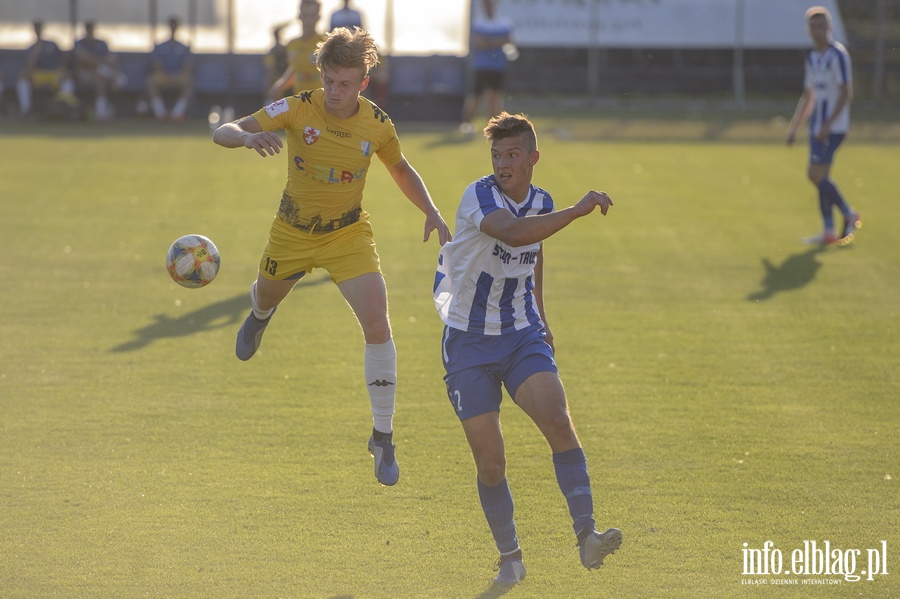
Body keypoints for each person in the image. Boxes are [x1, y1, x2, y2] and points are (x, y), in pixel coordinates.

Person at [213, 27, 452, 487]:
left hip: (348, 235)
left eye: (345, 83)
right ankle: (260, 313)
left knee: (378, 323)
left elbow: (401, 168)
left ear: (363, 82)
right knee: (265, 295)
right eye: (330, 81)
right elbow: (224, 130)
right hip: (292, 231)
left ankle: (382, 437)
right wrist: (246, 139)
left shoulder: (378, 124)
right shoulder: (299, 105)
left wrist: (432, 210)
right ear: (320, 74)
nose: (336, 92)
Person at [433, 112, 621, 585]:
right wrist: (578, 210)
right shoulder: (479, 196)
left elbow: (533, 251)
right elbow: (515, 234)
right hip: (468, 340)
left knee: (558, 421)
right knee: (491, 461)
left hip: (520, 333)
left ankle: (587, 536)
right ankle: (511, 559)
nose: (502, 164)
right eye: (497, 155)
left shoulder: (541, 201)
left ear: (533, 158)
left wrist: (542, 313)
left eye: (512, 155)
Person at [786, 6, 861, 246]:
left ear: (830, 27)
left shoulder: (838, 55)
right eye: (814, 27)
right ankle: (828, 230)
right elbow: (809, 97)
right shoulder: (812, 58)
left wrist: (828, 124)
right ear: (808, 30)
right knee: (821, 177)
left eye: (822, 26)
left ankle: (849, 214)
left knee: (814, 174)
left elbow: (845, 92)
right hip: (816, 126)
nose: (818, 31)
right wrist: (795, 126)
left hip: (833, 127)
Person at [460, 0, 515, 135]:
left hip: (498, 66)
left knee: (494, 98)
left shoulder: (504, 23)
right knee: (475, 97)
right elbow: (480, 42)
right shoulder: (479, 23)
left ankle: (493, 128)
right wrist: (498, 41)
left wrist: (490, 41)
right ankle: (468, 125)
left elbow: (509, 41)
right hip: (481, 66)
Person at [16, 21, 77, 118]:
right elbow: (29, 67)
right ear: (34, 30)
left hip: (54, 73)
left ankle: (66, 108)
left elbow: (63, 57)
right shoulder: (32, 47)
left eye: (39, 28)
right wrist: (35, 52)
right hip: (40, 74)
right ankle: (26, 110)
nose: (38, 31)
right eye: (36, 29)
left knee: (67, 76)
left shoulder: (52, 44)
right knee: (23, 78)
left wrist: (62, 69)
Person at [269, 0, 325, 100]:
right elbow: (296, 69)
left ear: (318, 17)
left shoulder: (325, 43)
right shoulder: (292, 45)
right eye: (305, 15)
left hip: (321, 101)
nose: (308, 21)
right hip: (300, 102)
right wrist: (280, 86)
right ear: (299, 16)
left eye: (312, 16)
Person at [74, 21, 125, 121]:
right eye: (88, 30)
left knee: (105, 77)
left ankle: (101, 113)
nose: (90, 32)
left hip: (103, 73)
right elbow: (83, 59)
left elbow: (112, 59)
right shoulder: (80, 43)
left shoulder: (101, 43)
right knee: (99, 75)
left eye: (91, 29)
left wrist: (96, 61)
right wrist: (98, 61)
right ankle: (100, 113)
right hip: (86, 74)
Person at [146, 17, 193, 121]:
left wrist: (177, 76)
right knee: (151, 81)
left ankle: (176, 114)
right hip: (164, 76)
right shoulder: (160, 46)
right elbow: (156, 64)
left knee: (189, 82)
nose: (173, 28)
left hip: (178, 77)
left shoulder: (183, 47)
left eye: (174, 26)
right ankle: (160, 113)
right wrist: (166, 76)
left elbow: (187, 65)